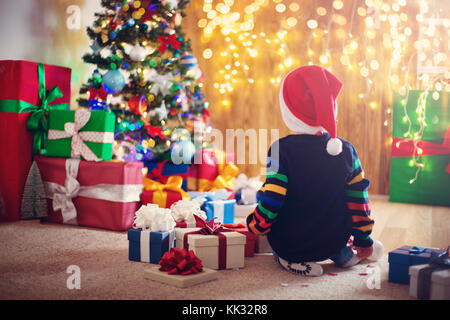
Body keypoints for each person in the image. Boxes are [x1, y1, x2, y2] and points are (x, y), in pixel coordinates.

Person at [246, 65, 375, 276]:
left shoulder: (281, 150)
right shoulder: (347, 150)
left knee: (278, 248)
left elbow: (273, 199)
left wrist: (256, 225)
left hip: (293, 243)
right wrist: (363, 239)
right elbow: (359, 202)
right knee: (338, 244)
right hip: (333, 240)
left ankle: (293, 261)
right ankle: (345, 255)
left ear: (289, 112)